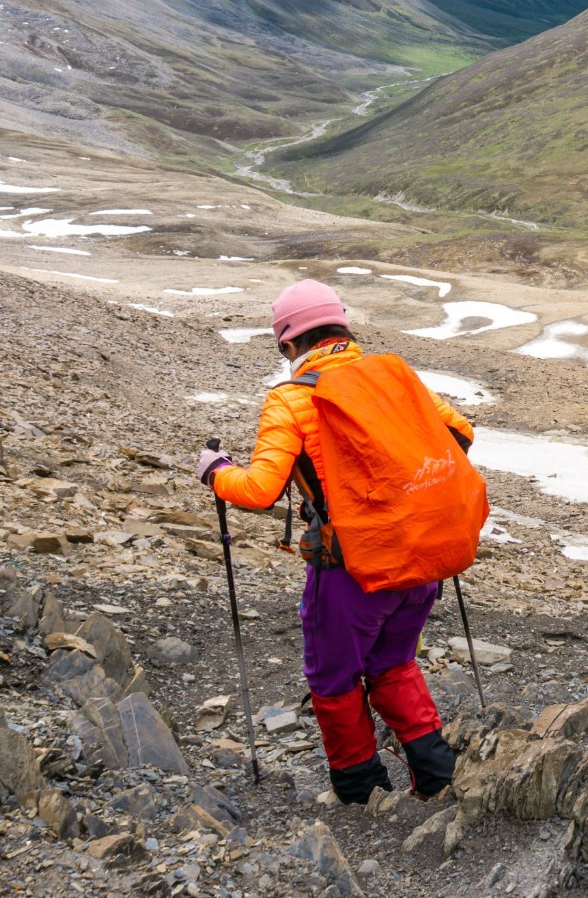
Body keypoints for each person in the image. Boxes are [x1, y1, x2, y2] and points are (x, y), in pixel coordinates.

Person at [198, 279, 477, 804]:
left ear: (288, 343)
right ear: (344, 328)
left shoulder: (291, 399)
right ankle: (437, 779)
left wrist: (216, 471)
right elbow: (460, 434)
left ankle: (360, 791)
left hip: (350, 571)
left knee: (333, 676)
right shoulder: (396, 376)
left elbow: (259, 490)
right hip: (421, 558)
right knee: (394, 663)